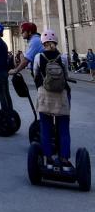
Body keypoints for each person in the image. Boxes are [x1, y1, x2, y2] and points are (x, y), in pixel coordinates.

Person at [33, 30, 72, 169]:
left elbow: (35, 74)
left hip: (45, 95)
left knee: (46, 128)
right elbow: (66, 76)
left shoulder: (38, 57)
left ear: (43, 43)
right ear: (55, 42)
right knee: (63, 128)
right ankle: (65, 159)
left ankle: (48, 158)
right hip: (61, 95)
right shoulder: (63, 57)